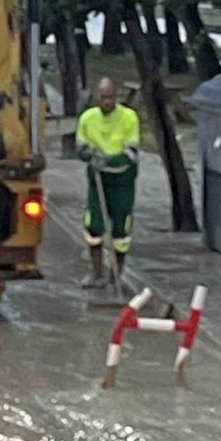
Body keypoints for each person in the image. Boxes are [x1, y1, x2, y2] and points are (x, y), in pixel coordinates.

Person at [76, 77, 140, 288]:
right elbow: (81, 146)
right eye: (103, 97)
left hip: (122, 183)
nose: (107, 101)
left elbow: (130, 153)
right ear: (97, 97)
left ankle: (116, 275)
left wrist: (109, 160)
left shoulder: (129, 117)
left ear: (116, 96)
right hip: (98, 181)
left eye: (111, 97)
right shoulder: (87, 118)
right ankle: (96, 273)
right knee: (93, 227)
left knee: (121, 232)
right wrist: (88, 154)